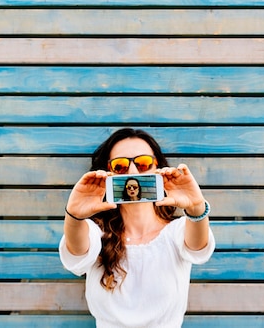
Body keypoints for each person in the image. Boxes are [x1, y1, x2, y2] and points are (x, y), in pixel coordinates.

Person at [59, 128, 215, 328]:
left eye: (143, 164)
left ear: (157, 168)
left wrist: (196, 209)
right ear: (108, 173)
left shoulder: (177, 232)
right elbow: (76, 250)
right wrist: (74, 215)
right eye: (120, 166)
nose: (133, 172)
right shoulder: (95, 234)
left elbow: (198, 247)